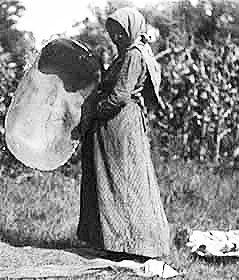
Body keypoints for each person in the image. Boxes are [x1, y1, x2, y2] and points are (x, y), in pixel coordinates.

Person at [71, 7, 170, 258]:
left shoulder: (133, 55)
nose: (115, 37)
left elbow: (120, 95)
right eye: (112, 33)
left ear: (131, 29)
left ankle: (133, 245)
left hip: (120, 125)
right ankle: (113, 242)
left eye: (119, 32)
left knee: (124, 183)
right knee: (113, 183)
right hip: (115, 126)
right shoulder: (127, 54)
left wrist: (94, 112)